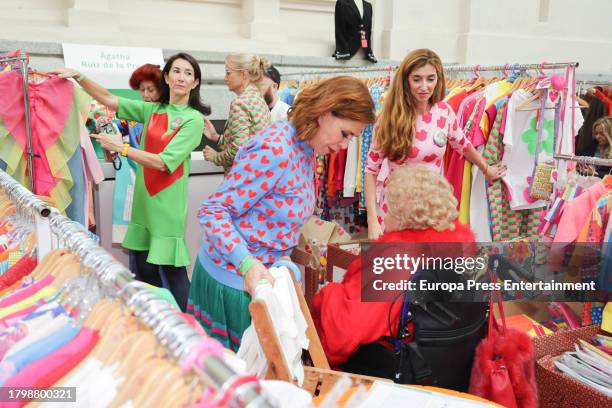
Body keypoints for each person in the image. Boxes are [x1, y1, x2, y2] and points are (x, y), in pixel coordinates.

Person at [189, 76, 376, 350]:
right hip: (234, 284)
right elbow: (214, 211)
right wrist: (247, 264)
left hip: (257, 282)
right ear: (325, 112)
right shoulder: (276, 148)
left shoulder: (306, 147)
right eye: (346, 134)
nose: (346, 145)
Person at [50, 52, 209, 312]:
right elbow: (110, 99)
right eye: (176, 71)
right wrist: (80, 77)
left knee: (175, 275)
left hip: (167, 206)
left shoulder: (193, 120)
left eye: (188, 73)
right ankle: (156, 322)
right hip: (143, 202)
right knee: (146, 272)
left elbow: (164, 161)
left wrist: (122, 148)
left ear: (195, 83)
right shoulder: (154, 109)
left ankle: (192, 332)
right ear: (167, 78)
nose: (181, 77)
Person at [313, 166, 486, 390]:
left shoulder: (394, 261)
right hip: (451, 372)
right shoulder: (464, 250)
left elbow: (345, 333)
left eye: (389, 207)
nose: (384, 213)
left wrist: (327, 294)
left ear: (403, 215)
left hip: (397, 374)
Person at [364, 48, 507, 240]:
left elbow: (463, 145)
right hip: (395, 210)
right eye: (417, 79)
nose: (424, 86)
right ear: (406, 80)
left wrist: (486, 168)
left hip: (431, 209)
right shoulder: (389, 118)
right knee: (398, 265)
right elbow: (371, 171)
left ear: (438, 79)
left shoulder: (445, 112)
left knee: (427, 266)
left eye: (430, 79)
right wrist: (372, 221)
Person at [202, 53, 271, 174]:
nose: (225, 78)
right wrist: (216, 137)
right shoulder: (259, 99)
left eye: (228, 73)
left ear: (243, 74)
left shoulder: (240, 103)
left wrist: (216, 157)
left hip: (242, 178)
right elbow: (249, 142)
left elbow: (239, 149)